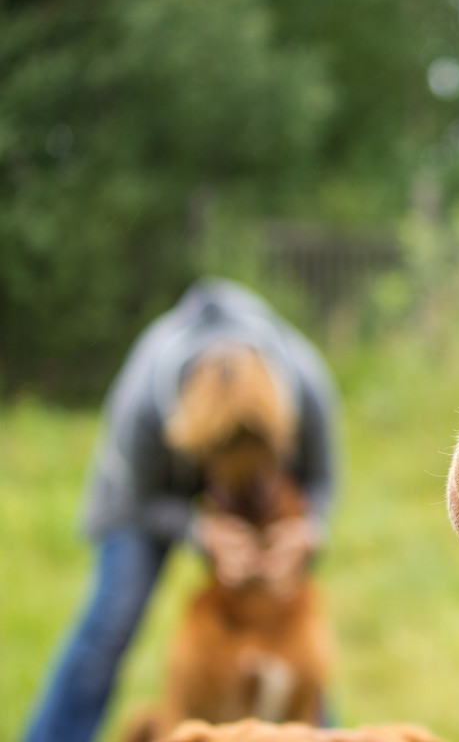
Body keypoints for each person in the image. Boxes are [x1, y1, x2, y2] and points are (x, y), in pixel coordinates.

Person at [22, 277, 340, 742]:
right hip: (144, 493)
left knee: (291, 636)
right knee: (111, 622)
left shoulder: (306, 384)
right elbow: (137, 500)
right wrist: (198, 530)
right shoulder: (143, 403)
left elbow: (323, 482)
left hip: (264, 490)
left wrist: (308, 532)